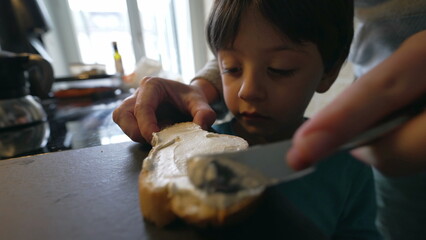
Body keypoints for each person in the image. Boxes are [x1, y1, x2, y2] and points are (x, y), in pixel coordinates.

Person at [113, 0, 426, 239]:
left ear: (329, 71)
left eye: (280, 69)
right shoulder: (202, 142)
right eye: (232, 69)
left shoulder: (356, 167)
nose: (248, 91)